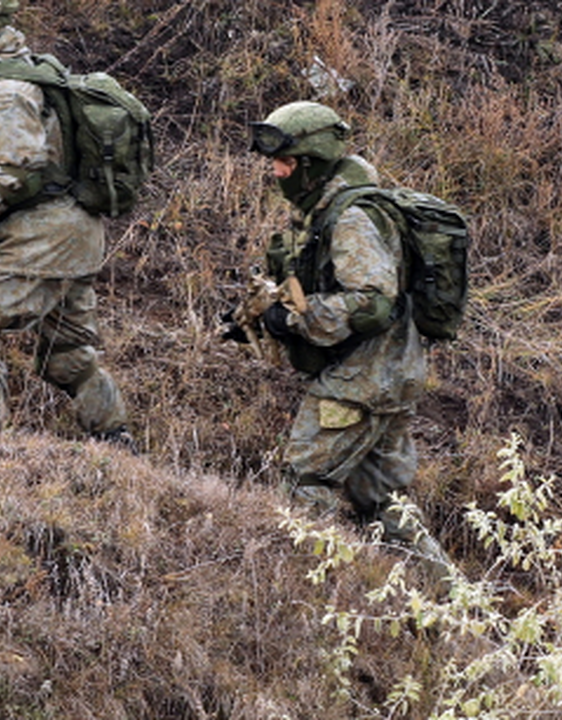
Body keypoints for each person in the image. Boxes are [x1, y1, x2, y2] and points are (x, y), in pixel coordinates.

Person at [236, 100, 450, 572]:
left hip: (362, 380)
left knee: (303, 482)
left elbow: (372, 300)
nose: (275, 172)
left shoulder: (351, 217)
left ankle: (305, 591)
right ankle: (457, 601)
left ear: (309, 165)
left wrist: (292, 319)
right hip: (390, 373)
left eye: (284, 163)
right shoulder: (325, 207)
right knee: (380, 501)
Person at [0, 0, 133, 448]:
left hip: (40, 240)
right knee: (66, 354)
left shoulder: (3, 90)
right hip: (76, 235)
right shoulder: (23, 70)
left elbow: (20, 170)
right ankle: (115, 440)